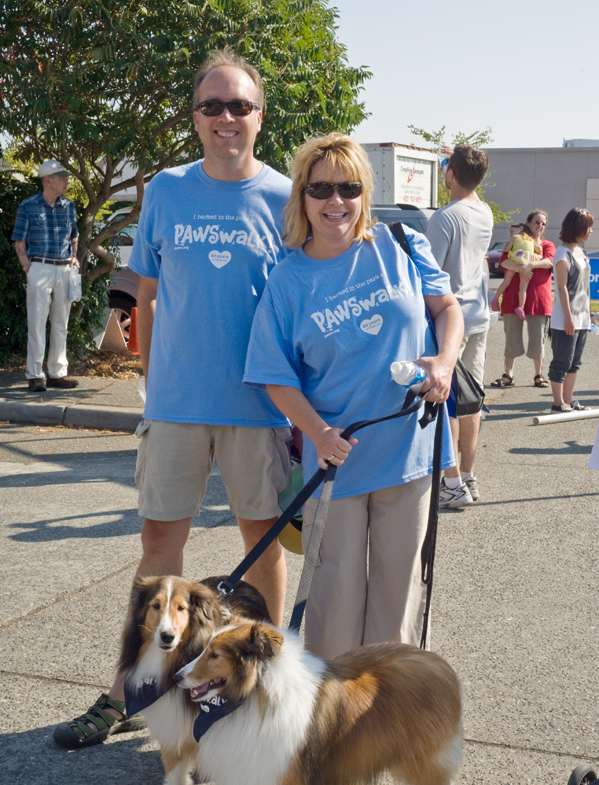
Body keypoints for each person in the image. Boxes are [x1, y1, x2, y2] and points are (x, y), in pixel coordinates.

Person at [53, 48, 292, 748]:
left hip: (259, 405)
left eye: (238, 106)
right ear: (194, 118)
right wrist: (155, 387)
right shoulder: (166, 190)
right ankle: (133, 687)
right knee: (160, 548)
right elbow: (147, 296)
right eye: (211, 106)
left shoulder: (286, 196)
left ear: (259, 115)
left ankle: (259, 682)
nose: (225, 118)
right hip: (177, 406)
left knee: (264, 545)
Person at [244, 133, 463, 659]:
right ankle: (334, 728)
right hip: (335, 463)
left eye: (349, 186)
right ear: (302, 196)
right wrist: (317, 432)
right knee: (334, 610)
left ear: (365, 194)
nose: (336, 201)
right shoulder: (288, 280)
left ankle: (393, 725)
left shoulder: (403, 244)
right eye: (321, 188)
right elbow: (275, 375)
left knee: (399, 600)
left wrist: (445, 361)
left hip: (410, 450)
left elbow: (447, 309)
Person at [425, 144, 494, 508]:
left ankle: (451, 484)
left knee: (446, 400)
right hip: (480, 314)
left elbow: (430, 274)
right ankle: (467, 475)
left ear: (449, 175)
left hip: (452, 318)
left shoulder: (445, 218)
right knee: (471, 400)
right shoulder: (484, 212)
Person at [12, 160, 80, 392]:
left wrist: (74, 257)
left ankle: (58, 373)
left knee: (61, 323)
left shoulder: (69, 206)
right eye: (62, 177)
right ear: (48, 179)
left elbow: (74, 236)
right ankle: (35, 374)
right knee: (37, 322)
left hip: (63, 269)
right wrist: (27, 268)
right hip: (39, 267)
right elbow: (19, 242)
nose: (66, 181)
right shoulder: (28, 206)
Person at [490, 210, 555, 390]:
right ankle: (508, 375)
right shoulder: (517, 241)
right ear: (528, 222)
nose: (540, 226)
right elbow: (504, 261)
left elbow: (549, 261)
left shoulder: (547, 244)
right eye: (537, 222)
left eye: (543, 223)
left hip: (538, 300)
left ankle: (538, 375)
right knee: (511, 337)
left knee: (537, 339)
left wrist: (530, 265)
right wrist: (521, 268)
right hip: (512, 298)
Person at [548, 207, 594, 412]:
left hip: (582, 317)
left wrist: (589, 315)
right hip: (565, 318)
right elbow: (562, 287)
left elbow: (585, 287)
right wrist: (568, 317)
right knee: (562, 361)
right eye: (588, 227)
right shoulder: (562, 253)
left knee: (575, 362)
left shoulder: (581, 253)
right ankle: (558, 403)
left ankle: (568, 400)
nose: (591, 231)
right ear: (577, 228)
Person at [493, 223, 541, 318]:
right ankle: (520, 307)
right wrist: (537, 242)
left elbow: (507, 248)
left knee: (506, 281)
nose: (511, 234)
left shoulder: (515, 237)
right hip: (526, 263)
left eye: (512, 231)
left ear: (520, 228)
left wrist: (504, 249)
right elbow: (538, 250)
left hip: (515, 260)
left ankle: (495, 299)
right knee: (523, 288)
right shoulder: (531, 239)